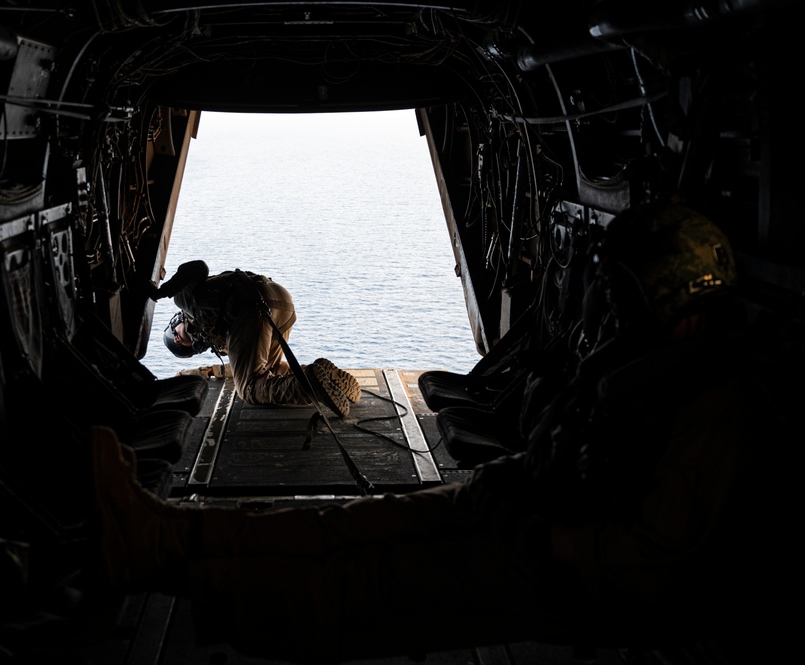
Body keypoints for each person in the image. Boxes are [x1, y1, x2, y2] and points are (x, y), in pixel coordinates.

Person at [98, 202, 800, 662]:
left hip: (564, 571)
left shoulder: (717, 408)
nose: (609, 309)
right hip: (524, 508)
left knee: (365, 583)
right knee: (343, 523)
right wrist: (514, 480)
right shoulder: (644, 370)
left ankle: (166, 572)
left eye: (625, 293)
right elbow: (584, 454)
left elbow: (644, 559)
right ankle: (167, 530)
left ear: (672, 297)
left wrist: (532, 527)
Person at [150, 260, 361, 416]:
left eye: (176, 335)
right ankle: (319, 375)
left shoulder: (185, 301)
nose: (179, 340)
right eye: (187, 346)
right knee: (269, 370)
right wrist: (204, 372)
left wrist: (162, 291)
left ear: (176, 321)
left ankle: (309, 385)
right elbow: (242, 366)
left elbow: (199, 268)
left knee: (249, 389)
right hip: (280, 301)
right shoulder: (219, 334)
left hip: (250, 307)